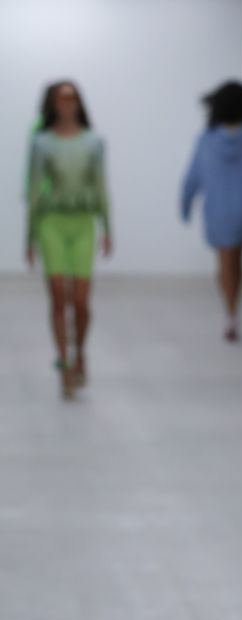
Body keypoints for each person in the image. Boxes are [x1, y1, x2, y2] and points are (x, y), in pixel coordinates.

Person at [26, 81, 112, 398]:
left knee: (81, 300)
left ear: (79, 103)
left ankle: (80, 352)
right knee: (59, 297)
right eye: (61, 99)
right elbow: (35, 189)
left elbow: (101, 185)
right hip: (51, 222)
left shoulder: (94, 142)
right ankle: (64, 362)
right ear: (53, 104)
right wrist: (29, 236)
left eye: (71, 98)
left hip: (83, 222)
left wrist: (108, 228)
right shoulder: (42, 143)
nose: (66, 104)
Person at [180, 81, 242, 341]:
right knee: (237, 261)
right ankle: (233, 312)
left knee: (225, 261)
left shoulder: (207, 140)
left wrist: (185, 204)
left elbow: (193, 176)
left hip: (218, 210)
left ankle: (230, 313)